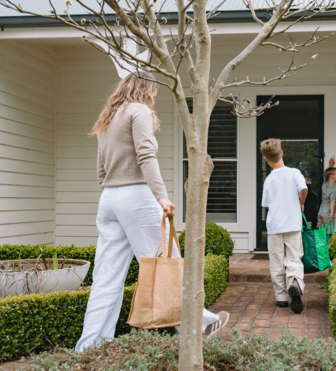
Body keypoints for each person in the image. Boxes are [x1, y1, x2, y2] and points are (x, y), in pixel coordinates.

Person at [75, 72, 229, 352]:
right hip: (136, 196)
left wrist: (115, 191)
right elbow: (146, 154)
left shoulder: (108, 116)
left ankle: (89, 348)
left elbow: (101, 169)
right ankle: (199, 324)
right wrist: (161, 196)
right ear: (145, 89)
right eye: (154, 91)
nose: (155, 96)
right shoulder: (139, 111)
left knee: (106, 277)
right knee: (167, 260)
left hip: (109, 198)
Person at [260, 138, 307, 314]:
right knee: (294, 258)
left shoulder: (269, 179)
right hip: (293, 224)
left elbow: (267, 205)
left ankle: (281, 298)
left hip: (274, 227)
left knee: (277, 262)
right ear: (282, 154)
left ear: (266, 159)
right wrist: (300, 201)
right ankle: (294, 282)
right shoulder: (294, 173)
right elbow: (303, 189)